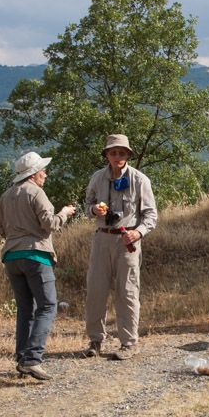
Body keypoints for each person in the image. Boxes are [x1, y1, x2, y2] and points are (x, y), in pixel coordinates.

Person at [0, 151, 76, 381]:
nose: (46, 174)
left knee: (25, 308)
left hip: (11, 257)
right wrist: (64, 213)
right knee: (48, 305)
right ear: (34, 174)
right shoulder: (36, 192)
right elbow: (50, 224)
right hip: (36, 256)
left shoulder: (6, 195)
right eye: (43, 171)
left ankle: (22, 358)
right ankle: (32, 359)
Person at [82, 134, 158, 360]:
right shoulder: (97, 178)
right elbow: (87, 204)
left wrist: (138, 232)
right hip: (102, 239)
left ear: (127, 155)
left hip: (127, 241)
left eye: (122, 153)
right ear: (106, 154)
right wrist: (94, 211)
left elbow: (151, 215)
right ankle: (95, 340)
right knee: (96, 291)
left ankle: (128, 343)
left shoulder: (140, 180)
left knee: (127, 292)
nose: (118, 157)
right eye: (113, 152)